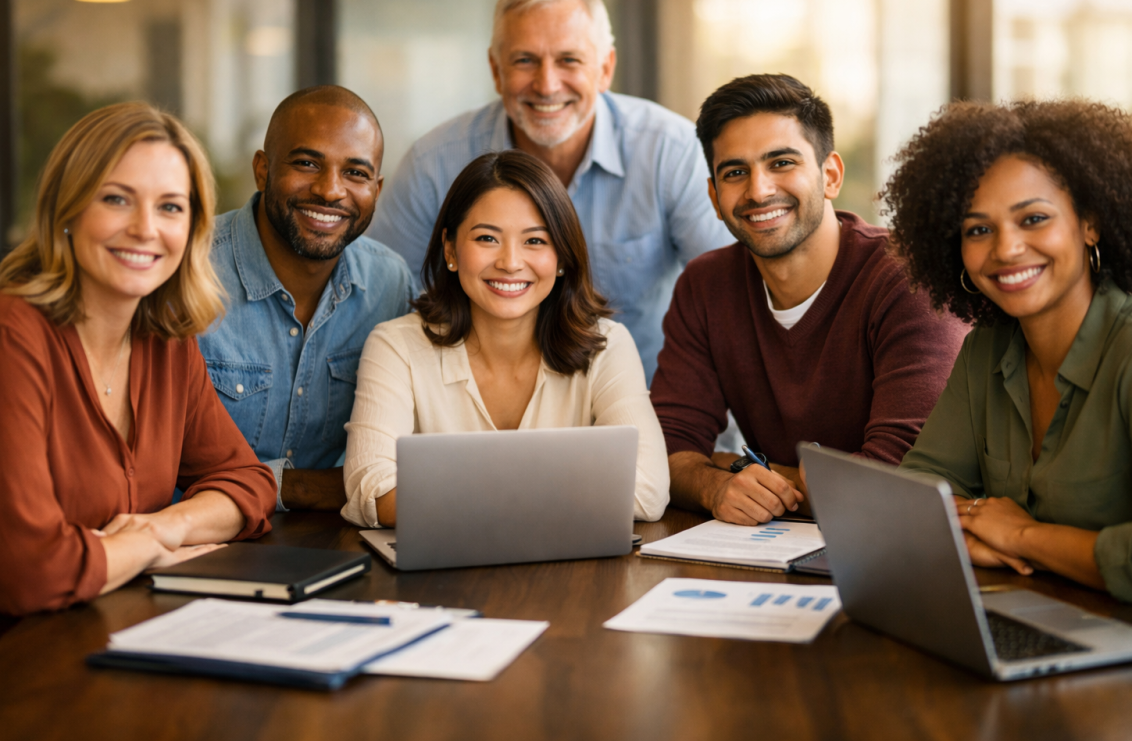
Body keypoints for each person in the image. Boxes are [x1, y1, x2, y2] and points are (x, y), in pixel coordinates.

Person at [885, 99, 1132, 639]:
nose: (1006, 249)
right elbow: (915, 497)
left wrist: (1022, 537)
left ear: (1091, 224)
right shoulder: (986, 349)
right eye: (978, 230)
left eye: (1033, 219)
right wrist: (982, 534)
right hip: (1036, 623)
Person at [367, 0, 729, 381]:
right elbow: (387, 304)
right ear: (496, 69)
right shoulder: (433, 164)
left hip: (646, 404)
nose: (547, 84)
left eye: (569, 60)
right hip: (476, 419)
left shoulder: (671, 152)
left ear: (605, 68)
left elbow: (730, 302)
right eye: (525, 60)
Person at [651, 74, 969, 526]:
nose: (759, 190)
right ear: (714, 197)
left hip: (912, 552)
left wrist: (736, 465)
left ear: (830, 175)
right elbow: (666, 450)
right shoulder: (705, 286)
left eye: (781, 163)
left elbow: (896, 481)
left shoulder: (909, 280)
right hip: (774, 554)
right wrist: (713, 483)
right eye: (735, 172)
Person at [0, 103, 276, 615]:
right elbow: (28, 571)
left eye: (170, 207)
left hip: (109, 629)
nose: (146, 229)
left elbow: (248, 483)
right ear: (67, 210)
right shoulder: (13, 338)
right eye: (117, 200)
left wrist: (168, 524)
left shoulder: (166, 340)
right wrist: (147, 547)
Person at [343, 150, 669, 528]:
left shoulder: (607, 345)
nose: (511, 263)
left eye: (535, 241)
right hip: (440, 578)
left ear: (562, 254)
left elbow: (646, 490)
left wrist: (449, 498)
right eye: (487, 238)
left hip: (570, 575)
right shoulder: (395, 347)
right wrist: (572, 492)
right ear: (450, 249)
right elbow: (371, 490)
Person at [198, 86, 416, 513]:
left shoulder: (391, 284)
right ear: (262, 170)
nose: (330, 191)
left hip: (342, 543)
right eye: (307, 163)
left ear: (377, 186)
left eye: (356, 173)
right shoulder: (186, 272)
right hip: (196, 542)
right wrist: (306, 489)